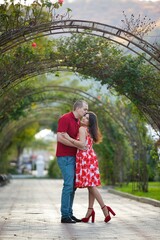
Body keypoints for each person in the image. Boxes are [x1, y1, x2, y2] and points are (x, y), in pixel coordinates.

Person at [62, 111, 116, 223]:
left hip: (85, 158)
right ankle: (90, 210)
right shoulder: (90, 130)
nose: (84, 119)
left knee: (91, 186)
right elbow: (85, 144)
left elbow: (81, 144)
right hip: (90, 157)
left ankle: (104, 208)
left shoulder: (82, 129)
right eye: (84, 117)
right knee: (90, 185)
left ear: (90, 122)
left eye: (87, 119)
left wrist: (68, 138)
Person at [56, 100, 88, 223]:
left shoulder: (78, 122)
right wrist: (77, 145)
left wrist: (76, 145)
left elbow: (74, 140)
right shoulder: (65, 118)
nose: (86, 112)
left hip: (74, 157)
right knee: (68, 185)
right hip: (64, 157)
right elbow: (59, 137)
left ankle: (69, 213)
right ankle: (64, 216)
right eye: (85, 109)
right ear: (78, 108)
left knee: (73, 186)